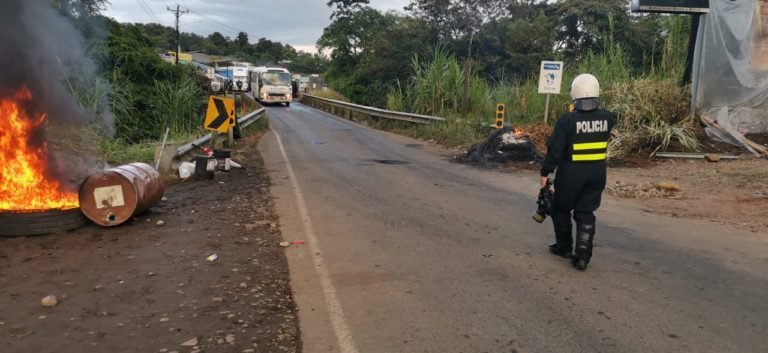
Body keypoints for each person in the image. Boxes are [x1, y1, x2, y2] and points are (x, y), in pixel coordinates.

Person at [539, 74, 614, 271]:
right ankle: (582, 257)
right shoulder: (607, 117)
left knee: (560, 208)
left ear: (575, 94)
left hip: (572, 173)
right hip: (597, 173)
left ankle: (564, 247)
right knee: (586, 211)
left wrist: (546, 172)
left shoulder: (567, 120)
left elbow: (555, 149)